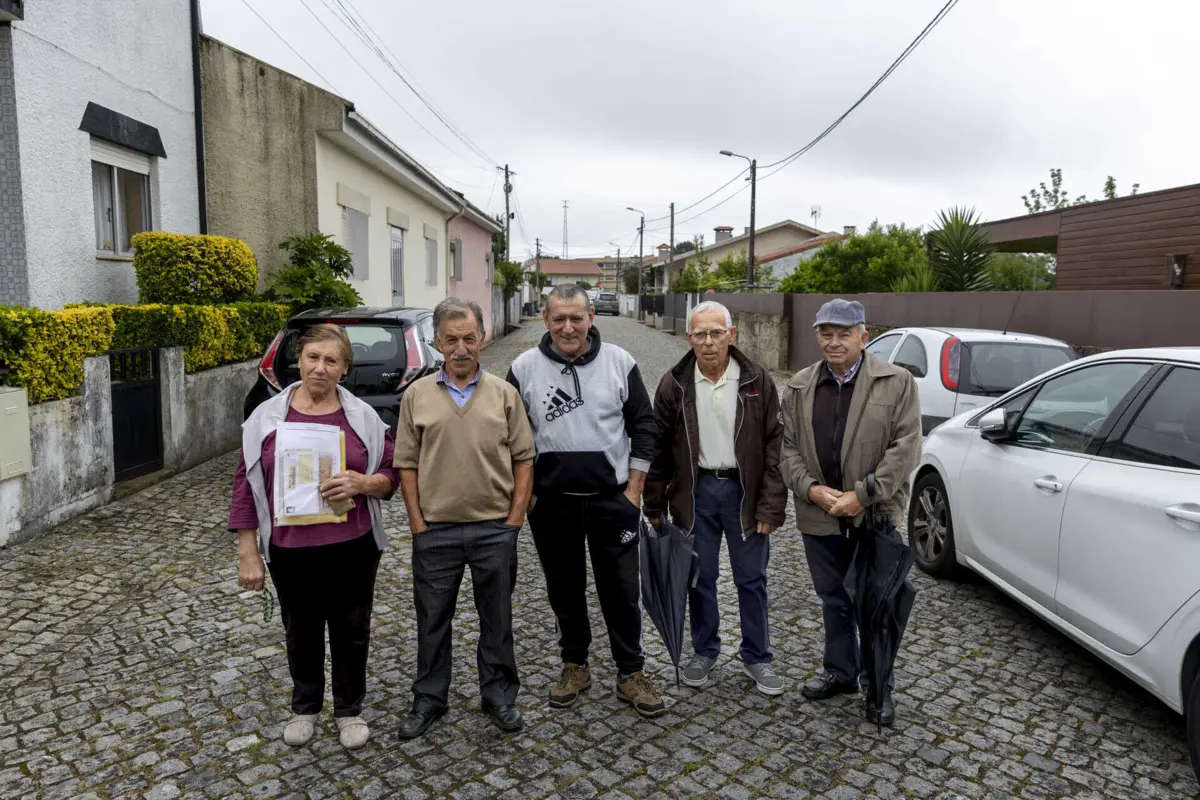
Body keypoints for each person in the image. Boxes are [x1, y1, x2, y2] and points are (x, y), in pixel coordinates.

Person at [231, 323, 398, 751]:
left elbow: (393, 473)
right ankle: (305, 707)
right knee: (300, 630)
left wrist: (364, 484)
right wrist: (248, 551)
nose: (320, 368)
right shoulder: (266, 418)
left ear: (344, 369)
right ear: (299, 362)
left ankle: (349, 710)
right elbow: (245, 484)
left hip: (353, 544)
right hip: (289, 549)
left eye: (331, 360)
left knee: (351, 628)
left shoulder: (363, 417)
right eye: (312, 358)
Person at [505, 284, 664, 718]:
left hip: (613, 501)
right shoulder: (523, 367)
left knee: (622, 590)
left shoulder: (620, 362)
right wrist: (529, 495)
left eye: (577, 317)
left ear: (591, 316)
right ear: (546, 319)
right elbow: (511, 437)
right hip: (552, 505)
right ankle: (575, 665)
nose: (568, 327)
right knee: (564, 589)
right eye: (560, 318)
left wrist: (634, 488)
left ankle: (630, 671)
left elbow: (644, 426)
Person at [393, 298, 535, 739]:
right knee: (432, 620)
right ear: (437, 341)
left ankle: (498, 696)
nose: (460, 348)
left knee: (497, 620)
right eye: (451, 339)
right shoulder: (416, 395)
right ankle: (430, 698)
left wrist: (513, 523)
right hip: (435, 532)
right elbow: (407, 464)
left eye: (468, 338)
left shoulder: (504, 395)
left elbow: (525, 460)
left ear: (482, 337)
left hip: (495, 529)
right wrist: (417, 524)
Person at [779, 298, 922, 726]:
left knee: (877, 604)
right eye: (827, 333)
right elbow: (786, 448)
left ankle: (879, 686)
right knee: (833, 599)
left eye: (844, 333)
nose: (834, 341)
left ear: (864, 336)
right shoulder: (800, 385)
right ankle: (840, 672)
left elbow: (906, 447)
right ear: (817, 336)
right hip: (819, 514)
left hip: (872, 515)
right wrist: (813, 490)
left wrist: (863, 494)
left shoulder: (897, 382)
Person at [644, 301, 787, 695]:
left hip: (746, 491)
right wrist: (653, 505)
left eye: (716, 333)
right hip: (697, 492)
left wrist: (771, 504)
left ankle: (757, 656)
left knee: (752, 578)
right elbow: (659, 449)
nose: (708, 342)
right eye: (700, 334)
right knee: (700, 577)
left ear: (731, 335)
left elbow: (776, 447)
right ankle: (704, 650)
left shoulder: (757, 380)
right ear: (688, 338)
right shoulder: (675, 384)